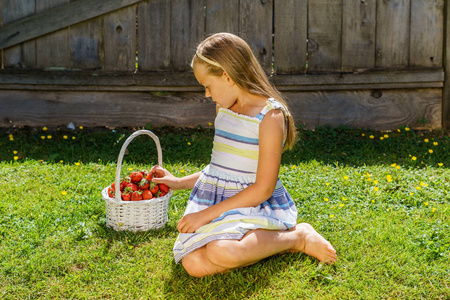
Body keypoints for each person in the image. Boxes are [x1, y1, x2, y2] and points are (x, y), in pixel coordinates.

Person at [150, 32, 336, 278]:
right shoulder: (224, 108)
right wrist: (179, 182)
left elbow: (263, 190)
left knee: (221, 251)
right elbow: (219, 170)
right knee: (193, 264)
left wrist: (205, 216)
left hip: (253, 204)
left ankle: (296, 238)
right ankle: (257, 248)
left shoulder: (270, 116)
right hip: (218, 202)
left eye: (207, 86)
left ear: (226, 76)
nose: (207, 94)